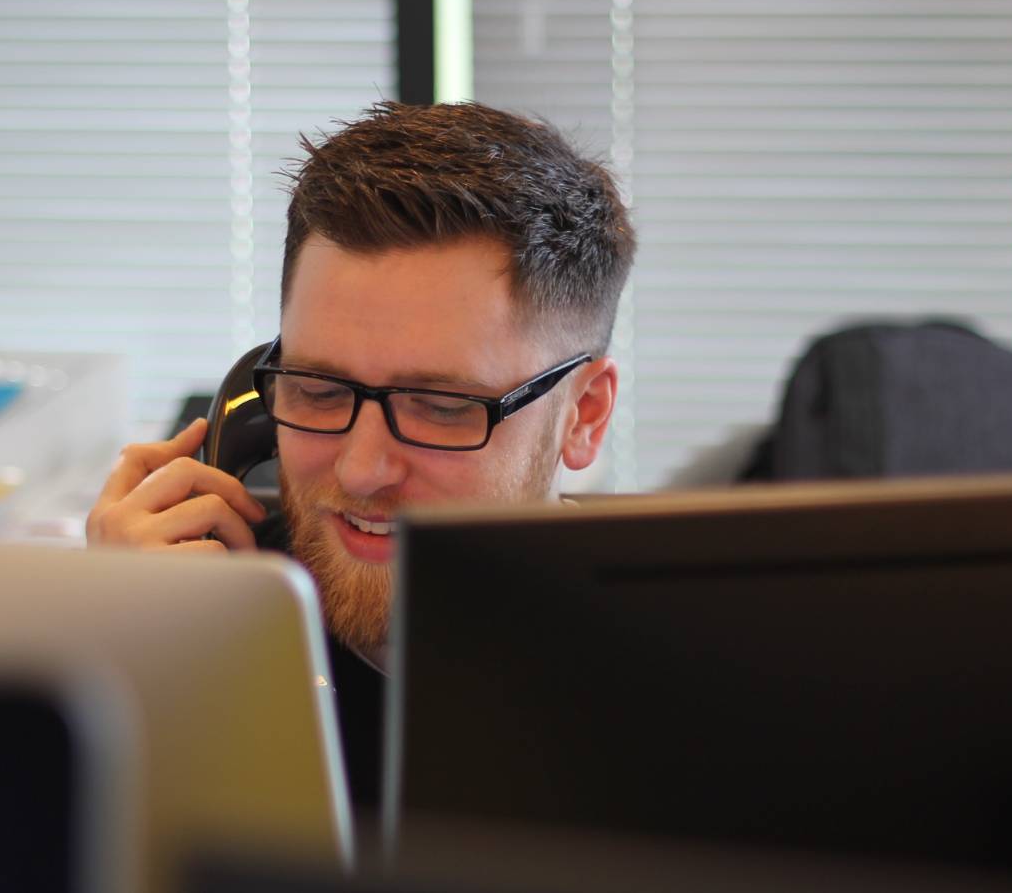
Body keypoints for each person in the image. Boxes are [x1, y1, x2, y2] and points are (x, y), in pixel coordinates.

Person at [87, 101, 635, 811]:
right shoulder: (189, 619)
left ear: (583, 415)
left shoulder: (686, 699)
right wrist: (110, 659)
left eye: (441, 406)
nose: (360, 470)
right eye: (317, 389)